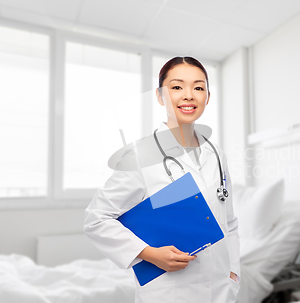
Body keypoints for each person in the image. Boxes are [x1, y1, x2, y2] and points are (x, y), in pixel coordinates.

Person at [84, 56, 240, 303]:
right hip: (169, 293)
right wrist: (150, 254)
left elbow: (229, 223)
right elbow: (96, 219)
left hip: (221, 292)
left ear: (208, 97)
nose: (188, 95)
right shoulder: (140, 156)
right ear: (160, 96)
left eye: (198, 87)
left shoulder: (216, 154)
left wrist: (233, 273)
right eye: (177, 87)